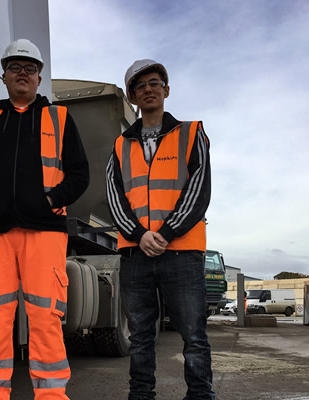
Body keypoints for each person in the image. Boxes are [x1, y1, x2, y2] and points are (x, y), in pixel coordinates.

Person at [0, 38, 89, 400]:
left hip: (43, 234)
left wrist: (49, 200)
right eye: (15, 67)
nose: (23, 74)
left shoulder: (59, 118)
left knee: (45, 322)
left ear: (39, 78)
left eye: (30, 69)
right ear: (4, 76)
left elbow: (79, 175)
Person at [106, 59, 215, 400]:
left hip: (181, 250)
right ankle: (141, 395)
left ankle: (200, 395)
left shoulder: (191, 133)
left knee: (193, 332)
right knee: (140, 334)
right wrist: (139, 235)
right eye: (140, 87)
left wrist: (165, 233)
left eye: (155, 83)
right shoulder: (120, 145)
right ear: (133, 98)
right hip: (136, 253)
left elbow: (198, 190)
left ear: (166, 90)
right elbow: (114, 196)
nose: (149, 90)